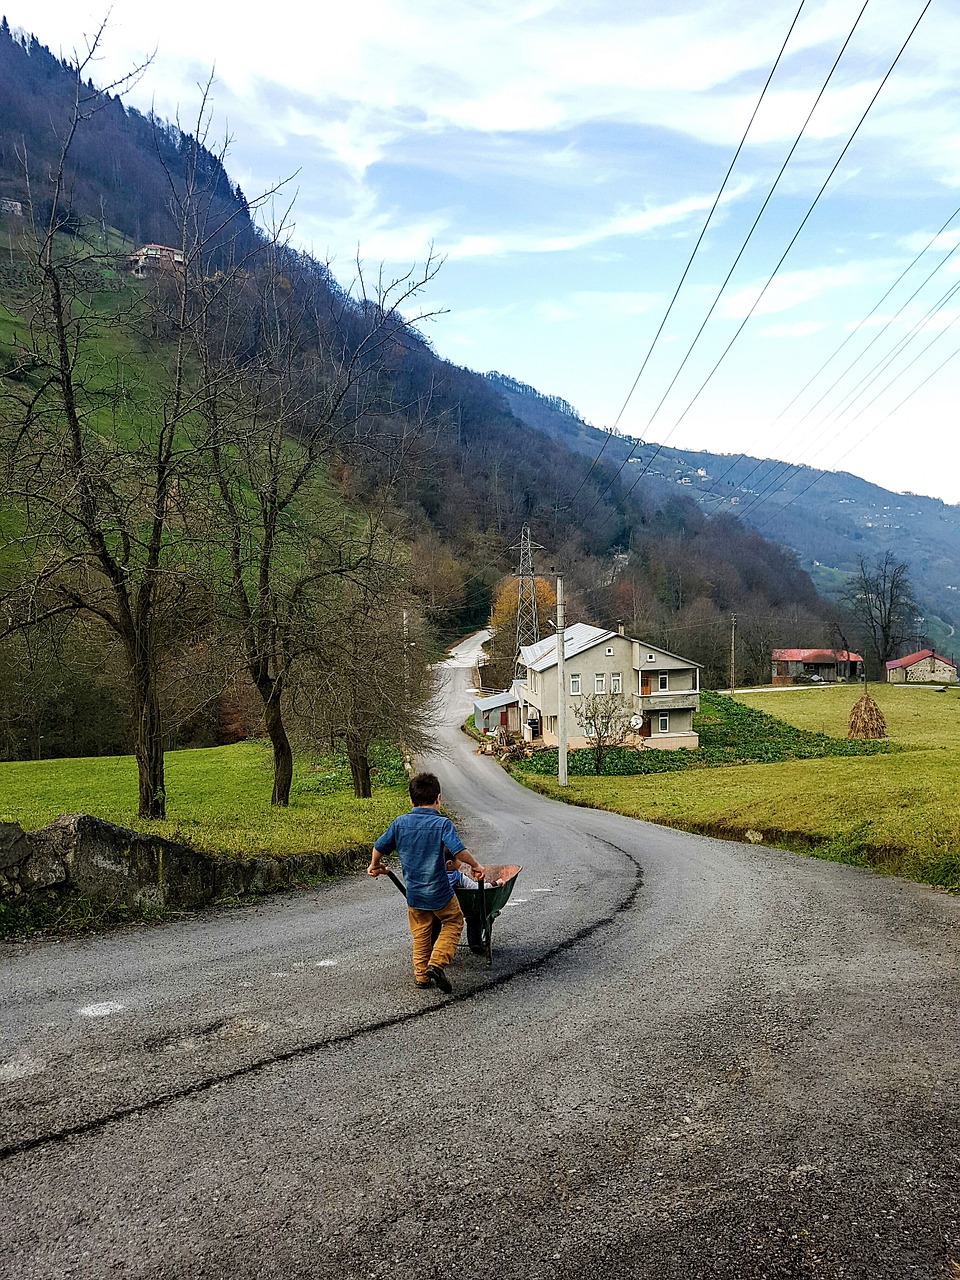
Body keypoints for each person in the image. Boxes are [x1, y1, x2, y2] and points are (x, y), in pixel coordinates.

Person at [368, 771, 485, 993]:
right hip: (440, 892)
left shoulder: (400, 823)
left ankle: (421, 976)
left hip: (415, 894)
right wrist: (476, 866)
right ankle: (436, 964)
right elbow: (458, 851)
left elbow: (379, 846)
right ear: (438, 798)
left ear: (411, 800)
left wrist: (375, 865)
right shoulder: (442, 824)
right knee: (453, 921)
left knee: (421, 931)